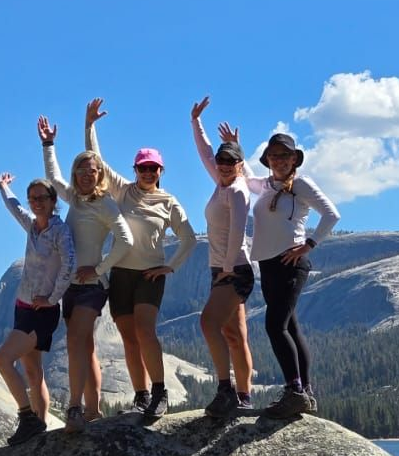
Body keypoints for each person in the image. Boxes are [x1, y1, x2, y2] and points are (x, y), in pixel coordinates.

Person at [84, 97, 197, 419]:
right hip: (120, 273)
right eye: (143, 167)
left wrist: (169, 267)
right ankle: (141, 396)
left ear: (161, 171)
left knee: (145, 332)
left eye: (153, 168)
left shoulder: (169, 201)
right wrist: (90, 125)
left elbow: (188, 239)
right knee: (129, 339)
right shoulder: (123, 190)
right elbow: (97, 161)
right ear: (135, 170)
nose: (148, 172)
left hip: (150, 275)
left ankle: (160, 393)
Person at [220, 124, 340, 418]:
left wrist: (308, 245)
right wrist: (236, 146)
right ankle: (304, 392)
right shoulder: (267, 185)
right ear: (268, 160)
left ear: (294, 159)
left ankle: (294, 389)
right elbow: (246, 177)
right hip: (268, 264)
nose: (279, 160)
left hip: (291, 263)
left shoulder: (302, 185)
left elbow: (331, 214)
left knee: (275, 326)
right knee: (290, 327)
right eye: (274, 156)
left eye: (285, 155)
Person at [38, 114, 134, 431]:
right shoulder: (75, 200)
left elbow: (125, 240)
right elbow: (52, 177)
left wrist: (100, 268)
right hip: (71, 286)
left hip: (93, 286)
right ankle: (93, 410)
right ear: (76, 174)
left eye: (92, 171)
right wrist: (48, 144)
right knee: (85, 346)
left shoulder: (106, 203)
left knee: (77, 341)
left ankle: (75, 409)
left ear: (99, 174)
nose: (86, 176)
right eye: (81, 171)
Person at [0, 173, 75, 442]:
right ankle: (40, 424)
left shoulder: (60, 232)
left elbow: (69, 265)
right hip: (23, 306)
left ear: (53, 201)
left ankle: (27, 417)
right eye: (33, 199)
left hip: (42, 312)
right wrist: (5, 187)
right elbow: (14, 207)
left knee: (3, 359)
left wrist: (53, 299)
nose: (36, 203)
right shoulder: (32, 227)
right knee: (33, 370)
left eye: (42, 198)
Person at [190, 96, 254, 417]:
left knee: (207, 323)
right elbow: (204, 152)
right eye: (222, 161)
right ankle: (244, 397)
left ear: (240, 164)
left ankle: (225, 390)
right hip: (222, 269)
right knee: (233, 334)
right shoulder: (221, 182)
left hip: (235, 269)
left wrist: (227, 269)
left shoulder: (239, 190)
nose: (225, 166)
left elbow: (240, 230)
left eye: (231, 161)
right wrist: (196, 122)